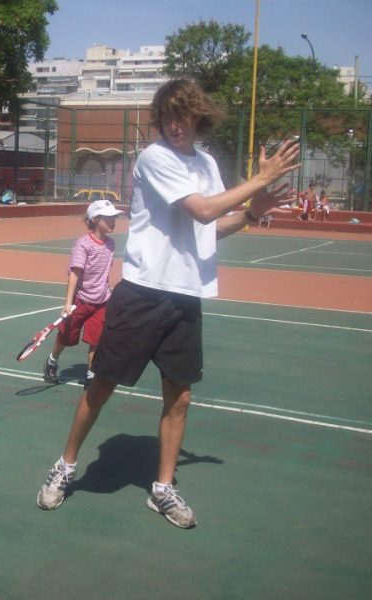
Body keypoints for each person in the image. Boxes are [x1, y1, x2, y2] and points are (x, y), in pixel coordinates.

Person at [36, 79, 299, 528]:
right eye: (167, 117)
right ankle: (65, 465)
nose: (176, 125)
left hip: (185, 297)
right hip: (142, 293)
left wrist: (253, 214)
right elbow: (202, 209)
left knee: (180, 397)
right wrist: (259, 180)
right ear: (159, 121)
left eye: (184, 115)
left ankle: (162, 489)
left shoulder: (207, 164)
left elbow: (208, 229)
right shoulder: (154, 157)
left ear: (199, 117)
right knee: (101, 385)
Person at [43, 199, 121, 389]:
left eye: (114, 217)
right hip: (80, 301)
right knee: (66, 336)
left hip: (101, 302)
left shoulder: (111, 244)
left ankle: (91, 373)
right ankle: (51, 362)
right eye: (108, 217)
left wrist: (106, 292)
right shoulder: (83, 244)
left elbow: (104, 273)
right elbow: (75, 274)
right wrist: (68, 303)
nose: (113, 221)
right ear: (95, 219)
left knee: (97, 340)